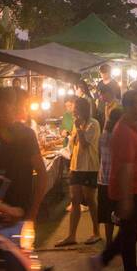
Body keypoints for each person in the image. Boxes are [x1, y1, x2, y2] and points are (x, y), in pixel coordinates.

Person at [89, 89, 137, 271]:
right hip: (130, 191)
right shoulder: (124, 132)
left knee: (130, 232)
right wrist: (125, 199)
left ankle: (102, 260)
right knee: (129, 235)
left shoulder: (133, 128)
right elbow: (125, 167)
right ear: (127, 107)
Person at [0, 87, 47, 225]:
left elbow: (42, 174)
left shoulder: (26, 134)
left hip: (20, 212)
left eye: (0, 109)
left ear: (12, 107)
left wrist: (33, 213)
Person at [56, 97, 102, 247]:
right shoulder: (77, 125)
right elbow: (73, 145)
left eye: (76, 109)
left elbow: (84, 145)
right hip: (75, 167)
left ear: (83, 110)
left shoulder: (93, 124)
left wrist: (79, 128)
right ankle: (71, 236)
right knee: (74, 200)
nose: (73, 112)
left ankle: (96, 232)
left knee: (90, 200)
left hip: (89, 167)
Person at [97, 106, 122, 245]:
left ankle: (109, 242)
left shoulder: (104, 134)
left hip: (103, 179)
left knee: (108, 215)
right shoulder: (120, 135)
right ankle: (120, 242)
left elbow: (99, 154)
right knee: (119, 213)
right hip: (117, 180)